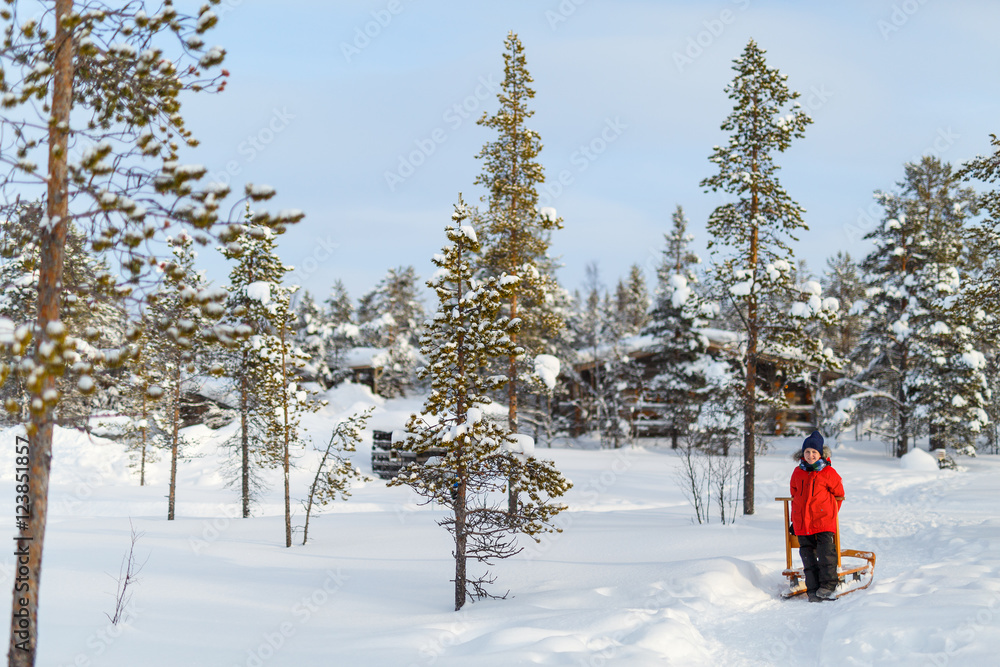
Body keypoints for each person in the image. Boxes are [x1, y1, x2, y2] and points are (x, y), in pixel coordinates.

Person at [790, 430, 844, 602]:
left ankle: (828, 586)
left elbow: (839, 495)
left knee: (826, 553)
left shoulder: (828, 472)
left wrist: (829, 514)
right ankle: (812, 589)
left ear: (821, 454)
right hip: (803, 523)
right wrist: (795, 518)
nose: (810, 455)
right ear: (802, 453)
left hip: (823, 521)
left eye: (814, 452)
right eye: (807, 452)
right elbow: (794, 495)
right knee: (807, 555)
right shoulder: (797, 472)